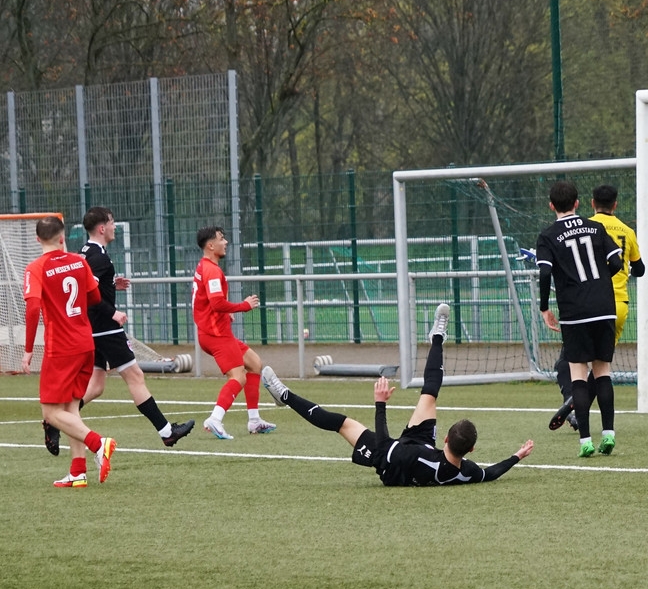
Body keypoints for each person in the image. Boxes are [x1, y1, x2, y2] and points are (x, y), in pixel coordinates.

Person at [260, 303, 534, 485]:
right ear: (470, 450)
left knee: (341, 423)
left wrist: (380, 404)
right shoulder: (466, 471)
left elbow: (382, 445)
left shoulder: (418, 458)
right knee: (430, 394)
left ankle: (284, 396)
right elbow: (490, 473)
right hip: (419, 446)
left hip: (392, 462)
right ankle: (437, 337)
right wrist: (517, 456)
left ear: (446, 438)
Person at [40, 207, 194, 455]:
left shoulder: (86, 253)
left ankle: (57, 419)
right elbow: (89, 296)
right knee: (135, 376)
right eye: (112, 222)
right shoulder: (98, 257)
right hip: (104, 329)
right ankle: (167, 432)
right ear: (102, 228)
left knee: (96, 386)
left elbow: (87, 287)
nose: (114, 227)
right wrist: (112, 312)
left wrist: (112, 284)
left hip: (91, 330)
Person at [22, 215, 117, 487]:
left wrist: (28, 350)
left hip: (61, 347)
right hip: (85, 342)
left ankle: (98, 443)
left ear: (37, 239)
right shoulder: (79, 261)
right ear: (63, 237)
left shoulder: (36, 268)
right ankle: (78, 472)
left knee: (50, 413)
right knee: (70, 407)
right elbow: (95, 297)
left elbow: (33, 308)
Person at [548, 184, 645, 432]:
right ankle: (587, 415)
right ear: (615, 204)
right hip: (618, 306)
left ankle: (573, 404)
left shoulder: (587, 227)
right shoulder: (627, 231)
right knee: (601, 367)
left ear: (591, 203)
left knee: (569, 362)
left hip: (588, 301)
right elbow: (640, 269)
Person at [536, 181, 623, 457]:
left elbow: (545, 273)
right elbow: (617, 262)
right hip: (604, 307)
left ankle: (585, 440)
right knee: (603, 372)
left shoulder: (548, 236)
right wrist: (599, 283)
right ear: (577, 203)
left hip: (575, 312)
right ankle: (608, 435)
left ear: (552, 205)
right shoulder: (596, 227)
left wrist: (544, 307)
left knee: (578, 375)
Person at [193, 225, 275, 439]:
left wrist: (224, 313)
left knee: (254, 363)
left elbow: (208, 302)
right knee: (238, 376)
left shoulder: (205, 266)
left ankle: (254, 420)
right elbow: (217, 303)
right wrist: (243, 306)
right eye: (221, 238)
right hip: (216, 334)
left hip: (214, 331)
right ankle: (215, 419)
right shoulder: (212, 270)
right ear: (211, 245)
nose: (226, 242)